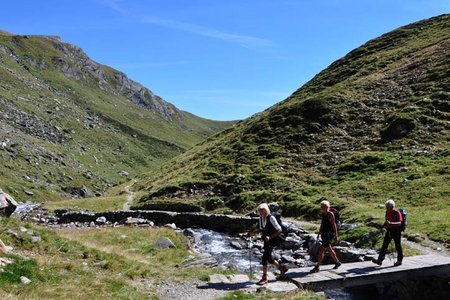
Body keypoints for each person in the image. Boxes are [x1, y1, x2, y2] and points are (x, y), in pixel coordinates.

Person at [256, 203, 288, 285]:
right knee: (269, 258)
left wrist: (270, 237)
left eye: (262, 211)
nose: (261, 213)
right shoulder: (260, 218)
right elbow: (261, 229)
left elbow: (279, 230)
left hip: (273, 239)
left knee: (264, 258)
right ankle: (282, 268)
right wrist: (252, 233)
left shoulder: (271, 218)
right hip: (266, 240)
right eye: (260, 211)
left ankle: (264, 278)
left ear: (266, 210)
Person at [310, 200, 341, 273]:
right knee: (329, 249)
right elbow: (322, 224)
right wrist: (318, 234)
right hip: (324, 233)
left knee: (321, 250)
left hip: (329, 234)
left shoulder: (330, 214)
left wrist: (336, 236)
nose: (323, 208)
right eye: (322, 207)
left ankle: (317, 266)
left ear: (327, 207)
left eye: (325, 206)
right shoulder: (323, 214)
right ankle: (337, 262)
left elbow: (334, 225)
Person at [372, 199, 403, 266]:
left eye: (388, 206)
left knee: (398, 246)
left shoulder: (397, 212)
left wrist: (390, 223)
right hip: (389, 230)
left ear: (392, 206)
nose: (387, 208)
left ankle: (399, 260)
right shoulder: (387, 212)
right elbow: (387, 221)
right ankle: (380, 260)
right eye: (386, 206)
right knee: (384, 245)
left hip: (396, 231)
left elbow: (399, 223)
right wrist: (383, 226)